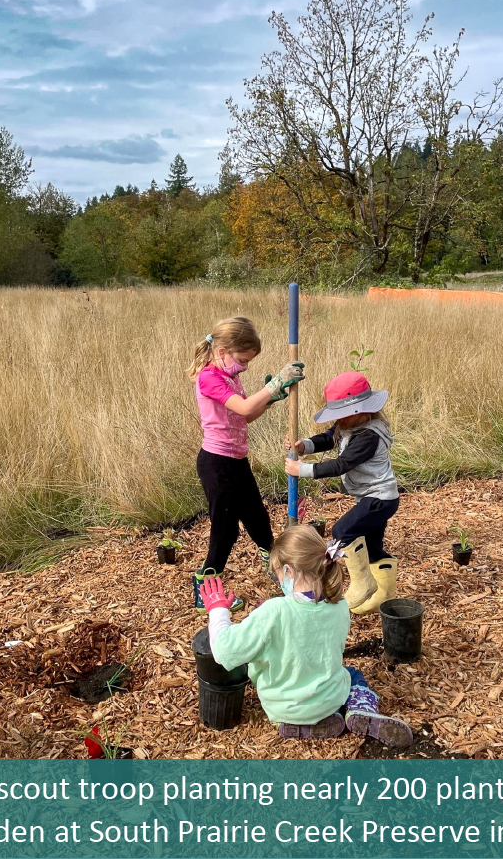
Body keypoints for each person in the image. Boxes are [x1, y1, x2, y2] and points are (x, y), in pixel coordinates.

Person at [199, 525, 413, 745]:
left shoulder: (274, 611)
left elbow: (224, 652)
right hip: (329, 700)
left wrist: (217, 610)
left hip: (282, 706)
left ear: (289, 571)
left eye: (279, 573)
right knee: (352, 674)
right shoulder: (339, 605)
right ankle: (361, 709)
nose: (280, 580)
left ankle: (295, 725)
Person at [187, 316, 304, 612]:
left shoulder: (230, 376)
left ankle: (277, 570)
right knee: (225, 531)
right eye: (242, 360)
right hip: (217, 464)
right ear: (222, 351)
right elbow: (243, 406)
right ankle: (205, 587)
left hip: (237, 461)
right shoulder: (209, 377)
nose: (245, 367)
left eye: (249, 362)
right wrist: (274, 384)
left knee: (257, 519)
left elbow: (245, 415)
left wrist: (272, 398)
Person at [285, 371, 399, 614]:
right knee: (373, 546)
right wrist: (305, 445)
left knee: (342, 531)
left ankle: (363, 583)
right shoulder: (350, 425)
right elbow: (329, 438)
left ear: (361, 411)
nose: (340, 421)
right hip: (372, 497)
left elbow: (341, 465)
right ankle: (384, 595)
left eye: (342, 416)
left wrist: (301, 469)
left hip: (379, 499)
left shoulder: (369, 436)